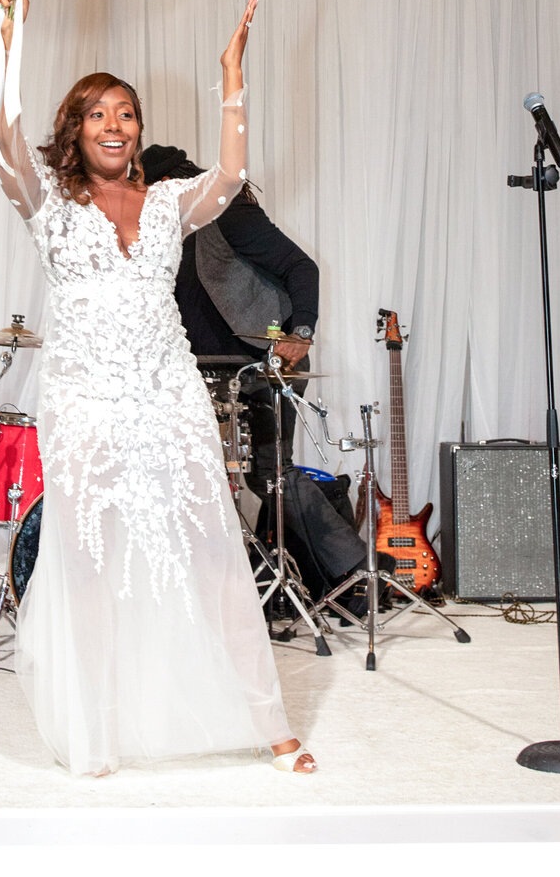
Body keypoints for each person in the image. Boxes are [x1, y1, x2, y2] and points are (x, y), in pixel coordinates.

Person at [0, 0, 315, 778]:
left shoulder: (170, 201)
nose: (115, 124)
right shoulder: (48, 204)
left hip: (167, 386)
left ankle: (271, 726)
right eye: (98, 113)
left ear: (139, 130)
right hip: (85, 395)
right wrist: (5, 40)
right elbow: (3, 136)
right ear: (75, 129)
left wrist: (231, 80)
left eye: (126, 113)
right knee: (92, 564)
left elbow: (232, 179)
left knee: (211, 551)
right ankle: (95, 731)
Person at [139, 148, 382, 605]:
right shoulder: (155, 239)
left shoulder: (225, 212)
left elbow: (301, 267)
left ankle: (358, 575)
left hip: (262, 366)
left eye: (152, 191)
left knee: (271, 475)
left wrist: (302, 333)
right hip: (203, 375)